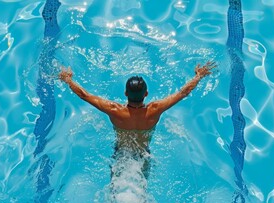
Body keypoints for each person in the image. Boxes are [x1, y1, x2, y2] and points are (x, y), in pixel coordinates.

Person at [59, 61, 216, 178]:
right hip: (144, 153)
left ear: (126, 94)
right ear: (146, 94)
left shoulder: (115, 111)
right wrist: (199, 76)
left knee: (114, 186)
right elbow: (183, 92)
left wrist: (68, 80)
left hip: (121, 152)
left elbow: (85, 95)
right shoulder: (155, 110)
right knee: (143, 188)